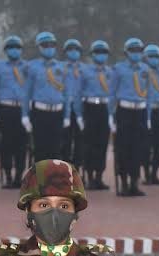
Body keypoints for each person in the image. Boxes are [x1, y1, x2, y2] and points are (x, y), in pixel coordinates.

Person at [109, 37, 149, 197]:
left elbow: (149, 93)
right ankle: (124, 182)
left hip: (140, 111)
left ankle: (134, 182)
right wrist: (111, 115)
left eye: (139, 50)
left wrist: (148, 116)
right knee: (123, 147)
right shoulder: (118, 69)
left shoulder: (145, 69)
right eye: (133, 50)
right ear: (126, 52)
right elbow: (112, 93)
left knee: (138, 148)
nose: (136, 53)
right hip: (124, 111)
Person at [0, 35, 28, 189]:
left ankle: (19, 176)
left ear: (21, 50)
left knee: (21, 145)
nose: (14, 50)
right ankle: (8, 175)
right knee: (6, 144)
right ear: (5, 51)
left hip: (23, 110)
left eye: (17, 47)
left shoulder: (27, 67)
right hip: (6, 109)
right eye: (11, 48)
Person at [23, 32, 69, 163]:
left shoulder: (62, 67)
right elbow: (27, 93)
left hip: (57, 113)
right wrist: (25, 115)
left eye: (52, 45)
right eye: (45, 45)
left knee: (56, 150)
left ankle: (53, 176)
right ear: (39, 47)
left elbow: (66, 93)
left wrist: (67, 115)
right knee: (40, 150)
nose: (49, 47)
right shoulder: (32, 67)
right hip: (40, 113)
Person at [76, 40, 112, 190]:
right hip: (90, 107)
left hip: (104, 108)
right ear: (92, 55)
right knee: (89, 144)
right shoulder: (85, 71)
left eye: (104, 52)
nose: (101, 55)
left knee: (102, 143)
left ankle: (99, 177)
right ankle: (89, 176)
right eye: (98, 52)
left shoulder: (111, 72)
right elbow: (78, 94)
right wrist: (79, 115)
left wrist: (112, 114)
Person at [142, 44, 159, 187]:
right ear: (145, 58)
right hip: (146, 111)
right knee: (145, 144)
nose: (154, 59)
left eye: (157, 56)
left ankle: (154, 173)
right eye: (151, 56)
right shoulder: (141, 73)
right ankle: (146, 173)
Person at [62, 39, 84, 173]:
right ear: (66, 52)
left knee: (80, 140)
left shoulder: (85, 69)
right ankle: (65, 167)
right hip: (65, 107)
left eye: (76, 49)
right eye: (70, 49)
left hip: (80, 108)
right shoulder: (60, 68)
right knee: (65, 140)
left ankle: (77, 167)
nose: (73, 52)